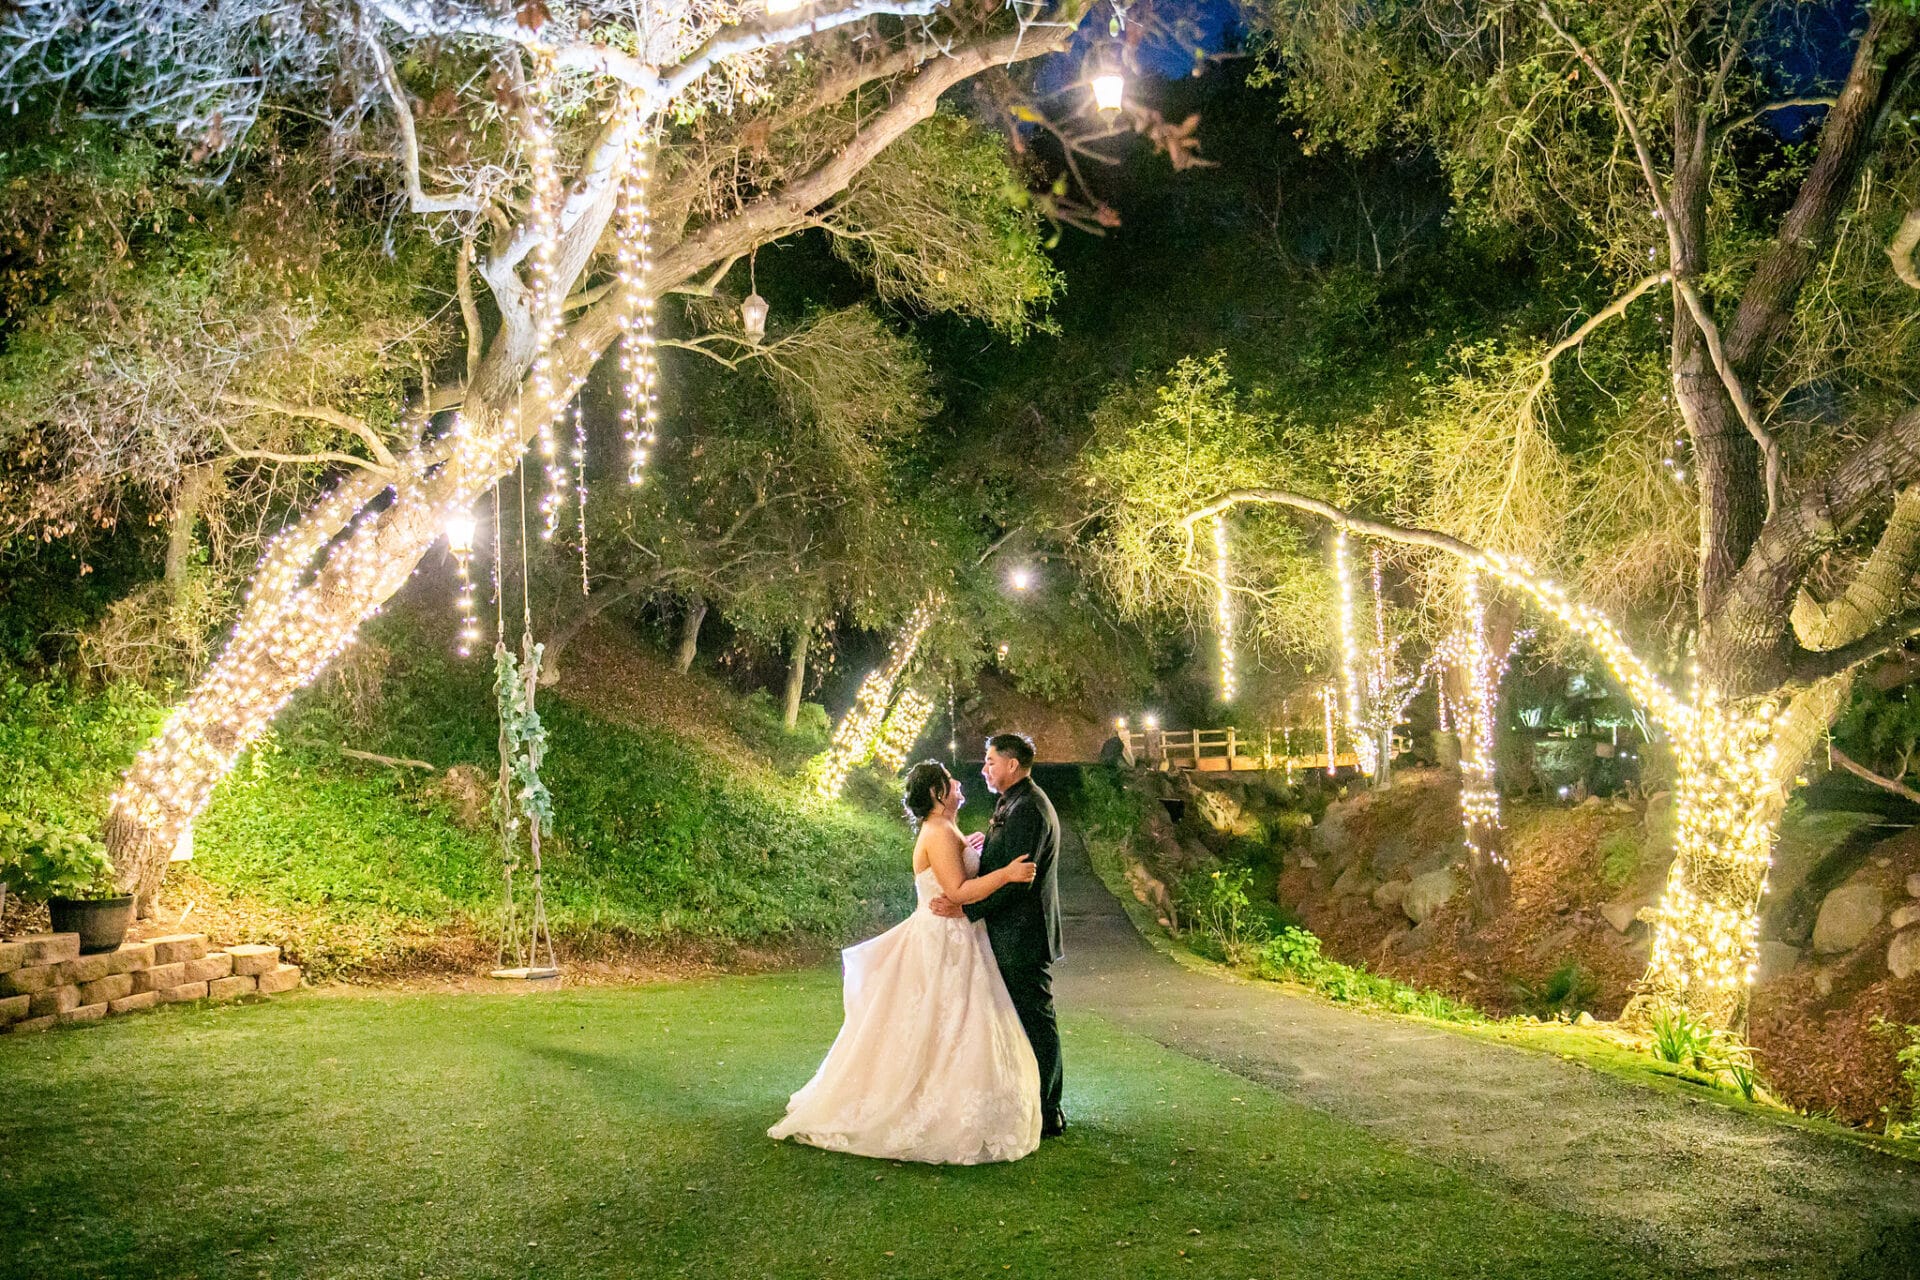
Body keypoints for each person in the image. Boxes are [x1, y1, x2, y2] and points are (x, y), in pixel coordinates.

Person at [767, 760, 1042, 1164]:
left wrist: (972, 848)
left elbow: (956, 870)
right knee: (942, 1023)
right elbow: (959, 890)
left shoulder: (947, 829)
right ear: (936, 794)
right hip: (942, 942)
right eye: (950, 781)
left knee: (957, 1024)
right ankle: (928, 1106)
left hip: (955, 939)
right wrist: (1006, 874)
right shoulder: (937, 831)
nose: (959, 782)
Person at [929, 732, 1065, 1138]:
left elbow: (1016, 881)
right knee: (1016, 1020)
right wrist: (986, 846)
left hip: (1023, 933)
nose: (985, 769)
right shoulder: (1014, 802)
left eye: (990, 762)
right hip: (1008, 931)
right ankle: (1026, 1101)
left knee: (1035, 1019)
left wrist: (965, 907)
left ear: (1011, 765)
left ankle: (1049, 1109)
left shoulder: (1029, 808)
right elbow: (1006, 859)